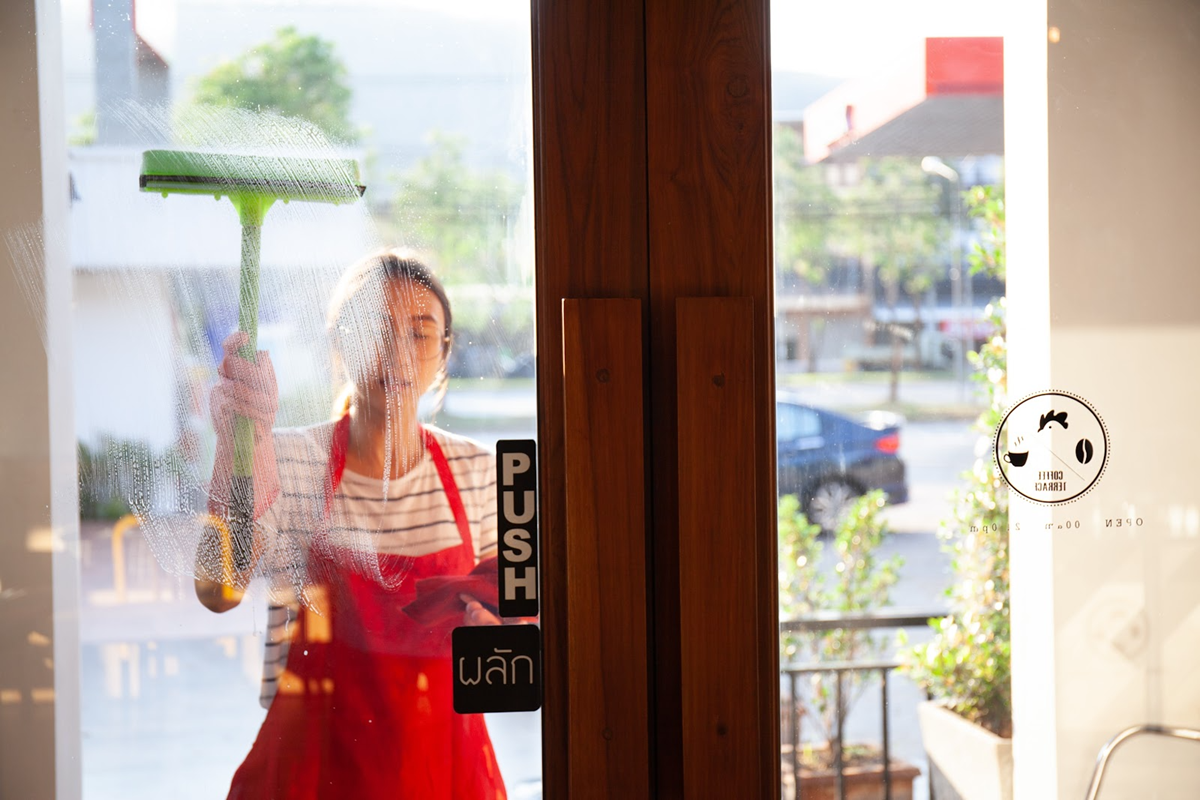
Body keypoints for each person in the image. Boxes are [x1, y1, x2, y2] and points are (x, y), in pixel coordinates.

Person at [194, 249, 507, 799]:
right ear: (340, 346)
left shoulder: (479, 472)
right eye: (376, 330)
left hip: (447, 773)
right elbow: (217, 591)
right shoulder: (291, 459)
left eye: (420, 333)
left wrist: (497, 641)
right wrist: (236, 458)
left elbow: (515, 645)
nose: (398, 354)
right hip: (314, 773)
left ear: (444, 354)